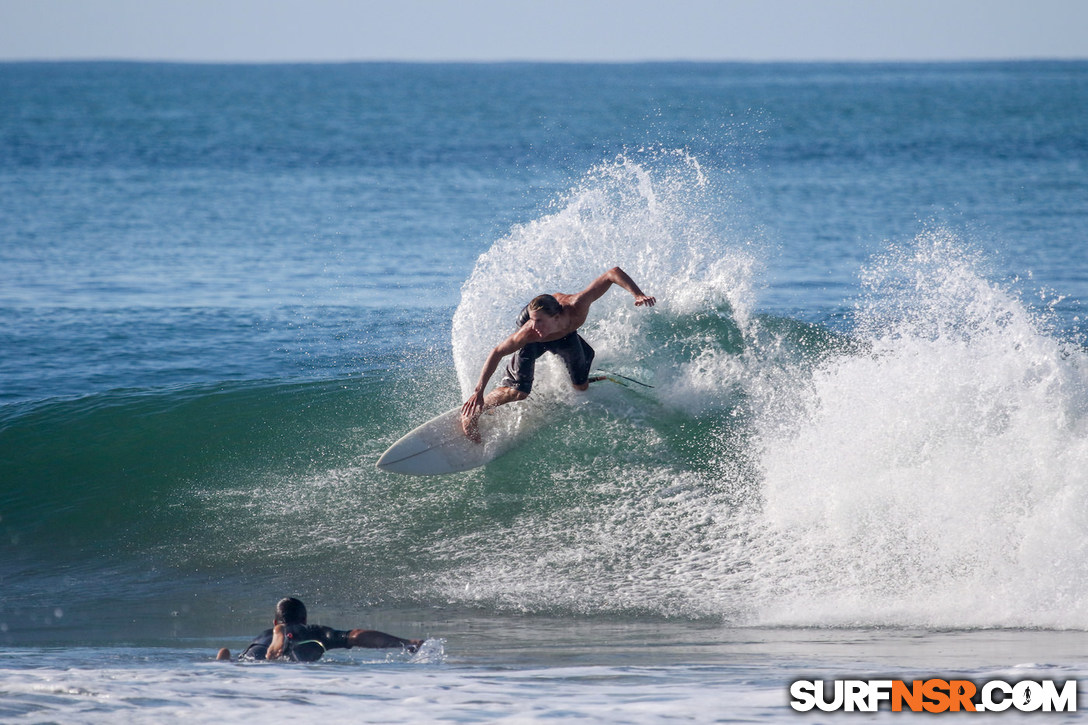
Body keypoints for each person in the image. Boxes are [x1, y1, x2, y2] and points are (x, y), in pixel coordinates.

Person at [460, 266, 656, 442]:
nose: (534, 326)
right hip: (535, 341)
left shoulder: (577, 306)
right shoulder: (528, 332)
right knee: (518, 392)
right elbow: (496, 352)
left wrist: (638, 294)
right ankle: (473, 413)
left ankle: (586, 377)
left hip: (566, 335)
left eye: (540, 322)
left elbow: (612, 273)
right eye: (532, 321)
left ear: (556, 317)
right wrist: (478, 390)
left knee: (581, 386)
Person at [219, 597, 423, 662]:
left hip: (255, 653)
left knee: (240, 661)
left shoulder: (260, 635)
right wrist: (407, 643)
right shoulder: (313, 632)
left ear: (274, 622)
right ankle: (280, 636)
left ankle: (224, 659)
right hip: (292, 648)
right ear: (305, 620)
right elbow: (356, 636)